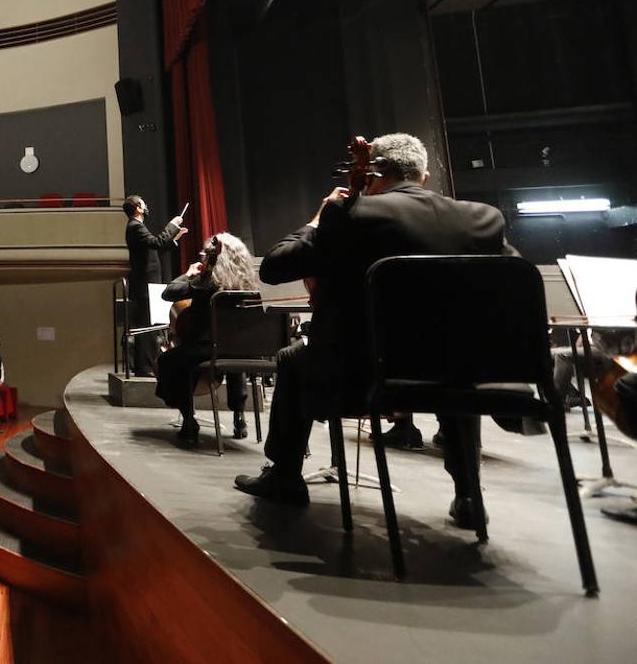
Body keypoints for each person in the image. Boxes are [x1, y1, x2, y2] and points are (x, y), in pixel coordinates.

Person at [234, 134, 513, 532]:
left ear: (373, 174)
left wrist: (321, 216)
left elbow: (275, 266)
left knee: (293, 358)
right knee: (452, 360)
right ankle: (468, 492)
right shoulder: (483, 220)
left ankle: (285, 474)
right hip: (456, 376)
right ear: (425, 177)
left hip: (363, 377)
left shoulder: (353, 216)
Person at [155, 232, 260, 448]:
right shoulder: (251, 285)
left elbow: (169, 293)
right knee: (232, 354)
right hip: (244, 349)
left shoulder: (207, 282)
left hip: (206, 348)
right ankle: (239, 418)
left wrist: (188, 273)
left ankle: (189, 421)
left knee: (171, 361)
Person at [123, 195, 186, 377]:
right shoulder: (135, 227)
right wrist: (172, 225)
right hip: (143, 285)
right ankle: (144, 367)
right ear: (138, 208)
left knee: (149, 327)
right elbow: (157, 243)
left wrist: (175, 238)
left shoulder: (137, 227)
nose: (147, 206)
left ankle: (145, 366)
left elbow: (154, 250)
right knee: (146, 328)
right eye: (144, 204)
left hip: (146, 284)